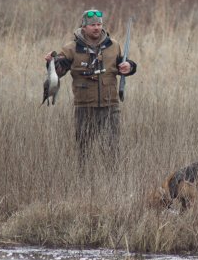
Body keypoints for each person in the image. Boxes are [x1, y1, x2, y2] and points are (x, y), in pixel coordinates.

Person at [46, 9, 137, 162]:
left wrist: (130, 66)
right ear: (84, 27)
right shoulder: (71, 48)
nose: (96, 28)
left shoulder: (113, 45)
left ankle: (112, 176)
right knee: (84, 152)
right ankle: (84, 175)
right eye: (92, 25)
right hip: (85, 108)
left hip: (110, 106)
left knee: (112, 151)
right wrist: (51, 63)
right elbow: (58, 72)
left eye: (99, 24)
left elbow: (124, 65)